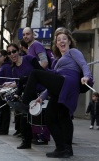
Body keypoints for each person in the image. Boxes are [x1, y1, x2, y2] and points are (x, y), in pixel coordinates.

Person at [10, 27, 93, 158]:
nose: (62, 41)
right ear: (56, 43)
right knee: (54, 117)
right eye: (58, 39)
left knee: (35, 73)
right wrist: (42, 97)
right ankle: (64, 149)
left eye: (64, 39)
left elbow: (84, 65)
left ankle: (25, 105)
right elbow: (51, 84)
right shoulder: (57, 61)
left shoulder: (73, 52)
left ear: (69, 41)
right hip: (60, 87)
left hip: (67, 83)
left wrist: (86, 76)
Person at [6, 43, 44, 149]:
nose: (12, 54)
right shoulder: (14, 69)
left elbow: (42, 72)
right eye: (9, 53)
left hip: (40, 92)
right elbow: (20, 86)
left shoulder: (29, 58)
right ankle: (26, 141)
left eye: (14, 51)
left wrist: (28, 78)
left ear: (18, 51)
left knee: (48, 119)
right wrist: (16, 95)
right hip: (29, 94)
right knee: (24, 117)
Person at [22, 27, 51, 145]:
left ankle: (43, 136)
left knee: (42, 110)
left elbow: (44, 62)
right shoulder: (30, 48)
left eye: (28, 34)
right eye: (24, 34)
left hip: (42, 83)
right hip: (36, 82)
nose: (25, 36)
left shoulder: (37, 45)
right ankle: (37, 135)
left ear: (33, 34)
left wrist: (34, 74)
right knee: (35, 109)